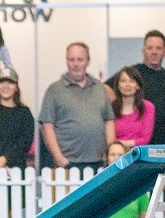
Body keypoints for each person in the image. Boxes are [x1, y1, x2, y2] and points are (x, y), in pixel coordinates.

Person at [38, 42, 115, 170]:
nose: (75, 64)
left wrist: (110, 154)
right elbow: (47, 127)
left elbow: (109, 121)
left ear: (88, 61)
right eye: (71, 59)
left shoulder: (100, 88)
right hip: (67, 164)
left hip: (99, 163)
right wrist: (59, 159)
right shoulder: (54, 90)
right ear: (66, 61)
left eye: (80, 59)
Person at [106, 30, 165, 145]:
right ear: (143, 51)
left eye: (158, 48)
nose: (154, 52)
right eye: (150, 48)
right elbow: (105, 87)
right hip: (134, 142)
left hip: (162, 140)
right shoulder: (133, 73)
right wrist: (117, 105)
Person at [111, 66, 155, 148]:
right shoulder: (110, 108)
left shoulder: (148, 107)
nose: (127, 85)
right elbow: (109, 139)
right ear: (118, 85)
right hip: (117, 155)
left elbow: (145, 139)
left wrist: (118, 143)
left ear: (138, 85)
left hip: (140, 156)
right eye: (123, 81)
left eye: (132, 81)